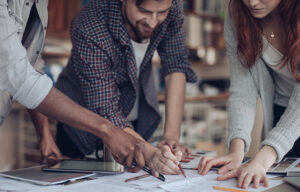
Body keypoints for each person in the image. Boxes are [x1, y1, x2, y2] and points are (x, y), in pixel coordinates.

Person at [0, 0, 175, 176]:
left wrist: (44, 134)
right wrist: (107, 130)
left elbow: (31, 67)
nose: (153, 22)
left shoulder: (39, 4)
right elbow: (17, 74)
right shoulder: (90, 23)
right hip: (80, 137)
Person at [36, 0, 197, 174]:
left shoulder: (171, 5)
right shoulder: (90, 24)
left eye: (162, 13)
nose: (152, 22)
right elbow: (105, 110)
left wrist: (171, 137)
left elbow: (176, 65)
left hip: (134, 128)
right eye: (144, 11)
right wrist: (151, 155)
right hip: (83, 133)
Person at [198, 0, 300, 189]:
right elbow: (243, 88)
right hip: (281, 114)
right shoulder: (238, 14)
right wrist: (236, 151)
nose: (252, 2)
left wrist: (262, 159)